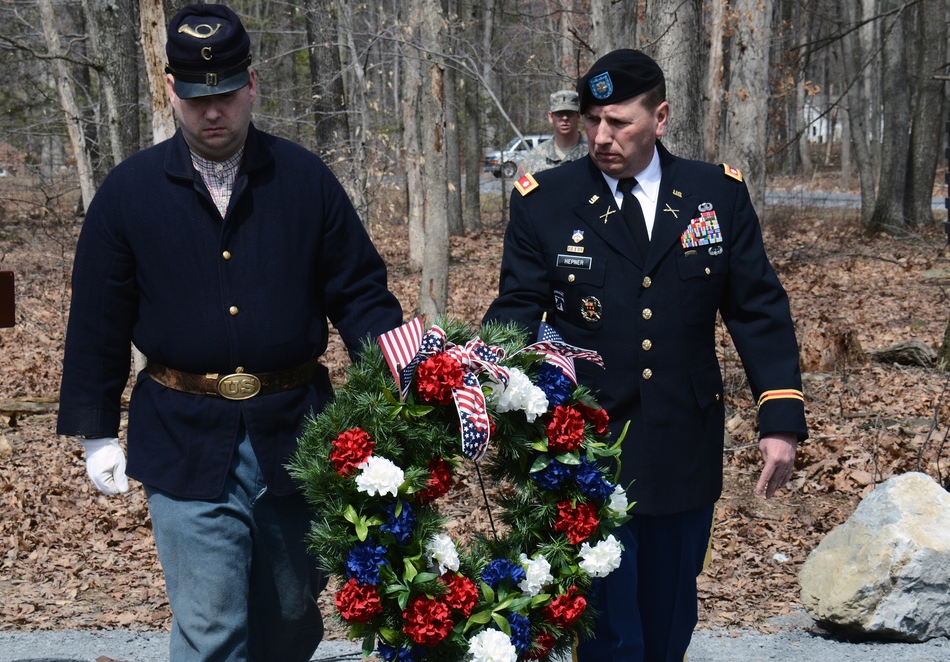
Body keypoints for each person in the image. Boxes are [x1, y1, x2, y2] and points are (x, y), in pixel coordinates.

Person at [56, 4, 403, 661]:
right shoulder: (129, 194)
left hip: (296, 433)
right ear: (170, 91)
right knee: (212, 626)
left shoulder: (304, 182)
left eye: (223, 95)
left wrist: (405, 376)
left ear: (252, 84)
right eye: (195, 98)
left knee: (292, 618)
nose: (211, 112)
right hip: (184, 435)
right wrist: (97, 429)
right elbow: (99, 320)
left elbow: (360, 293)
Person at [483, 49, 807, 661]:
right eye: (591, 121)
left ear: (659, 117)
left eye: (619, 122)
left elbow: (757, 308)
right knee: (606, 630)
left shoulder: (715, 194)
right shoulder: (545, 200)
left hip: (683, 441)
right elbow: (517, 309)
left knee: (668, 620)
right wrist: (483, 384)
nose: (601, 137)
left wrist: (781, 418)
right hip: (587, 445)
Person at [523, 89, 589, 175]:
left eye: (570, 113)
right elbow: (520, 188)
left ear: (578, 116)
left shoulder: (593, 153)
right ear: (550, 117)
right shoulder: (534, 158)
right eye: (559, 113)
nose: (565, 118)